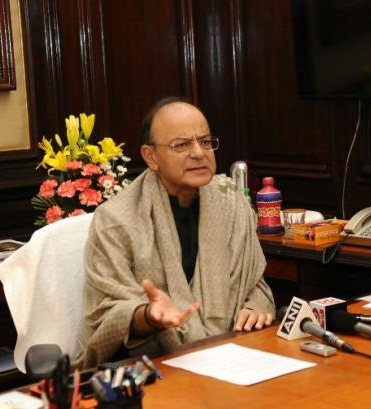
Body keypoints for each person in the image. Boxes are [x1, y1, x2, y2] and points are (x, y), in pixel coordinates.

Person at [74, 97, 275, 368]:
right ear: (151, 157)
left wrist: (255, 306)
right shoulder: (116, 220)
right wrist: (148, 315)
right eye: (181, 145)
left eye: (205, 141)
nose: (199, 153)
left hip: (233, 352)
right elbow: (106, 311)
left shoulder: (232, 203)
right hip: (152, 364)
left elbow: (252, 281)